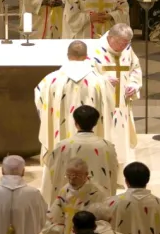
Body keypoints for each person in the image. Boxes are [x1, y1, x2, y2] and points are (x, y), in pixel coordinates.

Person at [35, 41, 114, 154]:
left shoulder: (50, 80)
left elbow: (40, 103)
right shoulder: (100, 81)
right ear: (86, 57)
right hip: (92, 142)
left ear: (67, 55)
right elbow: (109, 108)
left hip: (60, 138)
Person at [88, 24, 142, 166]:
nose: (123, 47)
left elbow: (135, 68)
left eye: (126, 44)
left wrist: (134, 85)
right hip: (103, 104)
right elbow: (87, 76)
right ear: (110, 37)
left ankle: (123, 164)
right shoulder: (95, 50)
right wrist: (104, 81)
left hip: (122, 102)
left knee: (121, 137)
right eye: (120, 43)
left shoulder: (127, 49)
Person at [41, 104, 119, 200]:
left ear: (75, 123)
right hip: (98, 201)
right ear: (95, 123)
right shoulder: (107, 146)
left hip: (69, 201)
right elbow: (113, 172)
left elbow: (54, 171)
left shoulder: (62, 146)